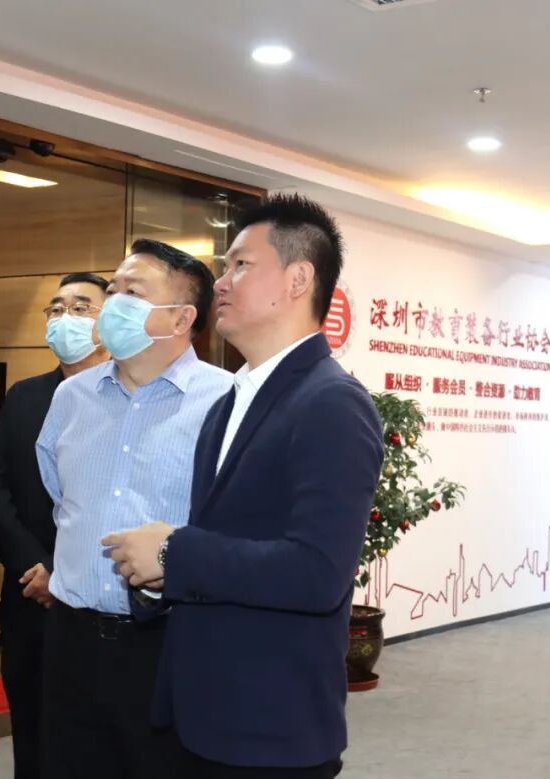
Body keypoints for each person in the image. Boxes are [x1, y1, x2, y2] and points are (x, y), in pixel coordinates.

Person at [103, 195, 384, 778]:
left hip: (270, 724)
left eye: (240, 265)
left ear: (298, 279)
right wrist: (159, 574)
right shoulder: (231, 401)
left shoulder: (332, 403)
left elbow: (317, 573)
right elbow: (228, 538)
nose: (222, 282)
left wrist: (174, 552)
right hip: (204, 711)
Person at [35, 240, 233, 779]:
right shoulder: (71, 397)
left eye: (133, 292)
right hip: (72, 639)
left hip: (169, 642)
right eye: (114, 288)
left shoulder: (226, 401)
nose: (114, 302)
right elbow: (62, 498)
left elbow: (232, 528)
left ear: (182, 318)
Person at [0, 271, 110, 779]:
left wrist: (67, 571)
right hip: (29, 595)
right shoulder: (25, 396)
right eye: (55, 309)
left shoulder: (128, 396)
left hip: (100, 601)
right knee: (31, 736)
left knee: (94, 744)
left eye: (80, 308)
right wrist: (34, 564)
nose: (63, 318)